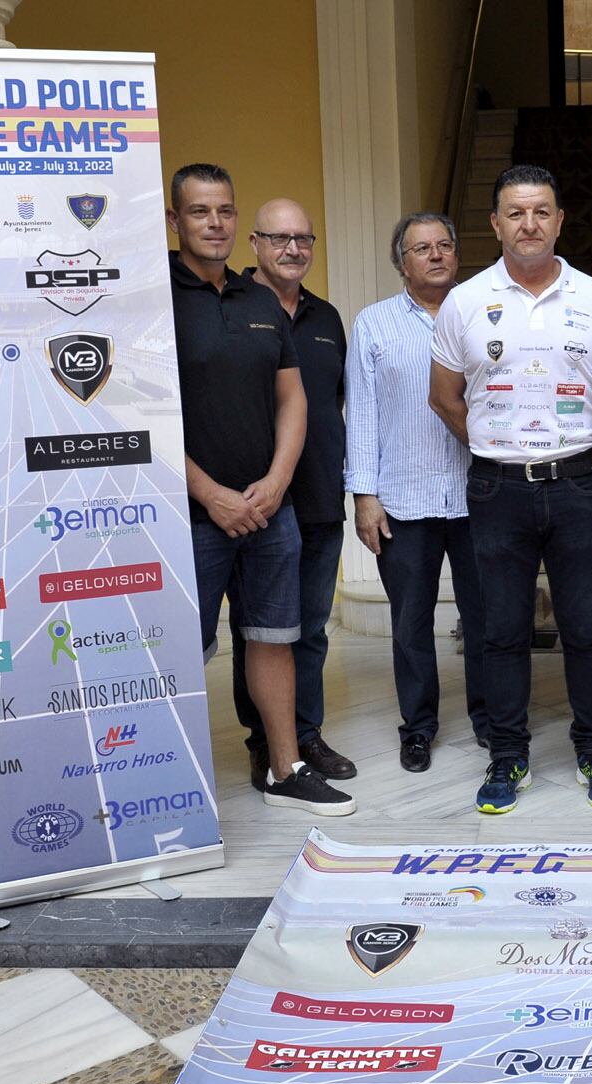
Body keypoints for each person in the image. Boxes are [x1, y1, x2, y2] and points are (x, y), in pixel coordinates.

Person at [428, 165, 592, 815]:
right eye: (515, 212)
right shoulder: (464, 300)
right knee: (502, 630)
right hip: (498, 488)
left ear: (561, 220)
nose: (529, 223)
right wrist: (497, 443)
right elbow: (445, 397)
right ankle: (507, 755)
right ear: (495, 223)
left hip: (579, 482)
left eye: (541, 210)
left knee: (591, 627)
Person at [167, 163, 354, 816]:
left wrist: (275, 485)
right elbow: (137, 412)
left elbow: (293, 399)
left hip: (271, 513)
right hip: (189, 514)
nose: (214, 222)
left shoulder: (259, 305)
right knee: (180, 648)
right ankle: (166, 785)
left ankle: (285, 767)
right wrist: (211, 493)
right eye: (199, 212)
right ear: (174, 221)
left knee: (277, 636)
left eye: (223, 209)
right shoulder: (153, 297)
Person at [348, 212, 490, 773]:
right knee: (410, 622)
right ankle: (419, 726)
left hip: (480, 496)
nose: (435, 256)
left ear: (457, 253)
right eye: (421, 248)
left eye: (445, 246)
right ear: (401, 262)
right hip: (402, 500)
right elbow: (359, 413)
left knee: (488, 617)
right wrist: (363, 494)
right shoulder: (374, 324)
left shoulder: (482, 313)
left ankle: (490, 717)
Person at [227, 198, 358, 792]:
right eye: (279, 238)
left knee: (309, 629)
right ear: (254, 242)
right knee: (258, 632)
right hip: (257, 505)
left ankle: (304, 735)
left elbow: (333, 406)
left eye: (304, 239)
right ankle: (265, 742)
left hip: (319, 501)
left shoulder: (326, 318)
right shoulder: (229, 310)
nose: (293, 250)